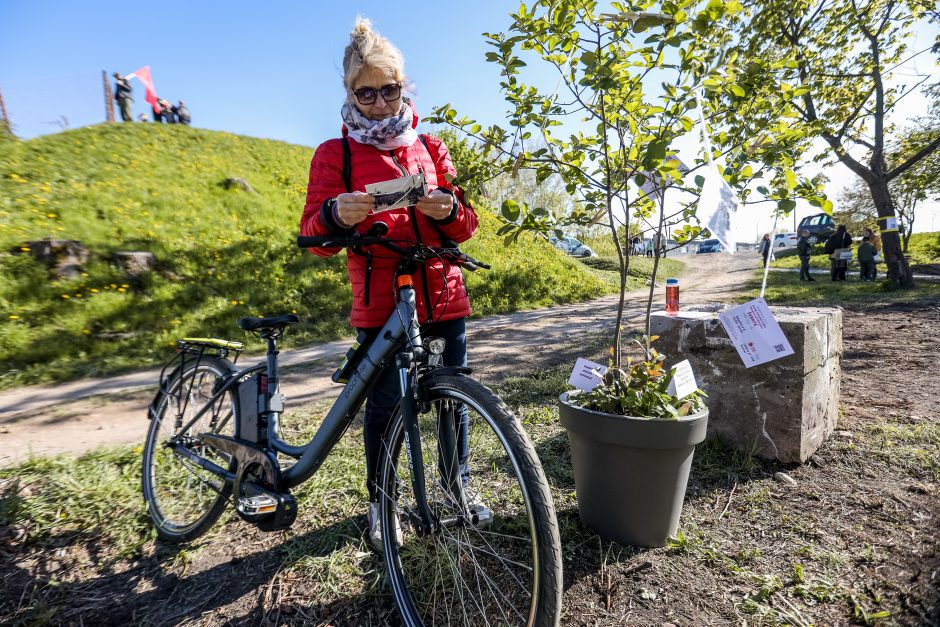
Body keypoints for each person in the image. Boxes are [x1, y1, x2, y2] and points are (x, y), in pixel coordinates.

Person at [299, 18, 482, 552]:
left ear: (405, 87)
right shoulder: (336, 155)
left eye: (390, 89)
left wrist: (449, 208)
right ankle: (383, 504)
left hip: (444, 292)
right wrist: (337, 214)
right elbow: (315, 233)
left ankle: (457, 489)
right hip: (382, 301)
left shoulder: (430, 147)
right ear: (350, 92)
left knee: (455, 399)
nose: (379, 102)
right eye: (367, 92)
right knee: (384, 408)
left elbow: (467, 224)